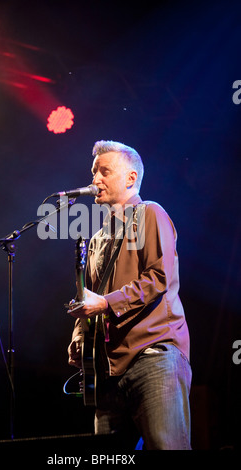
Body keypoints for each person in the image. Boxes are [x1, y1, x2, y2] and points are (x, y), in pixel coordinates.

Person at [67, 140, 192, 450]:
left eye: (104, 172)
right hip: (108, 372)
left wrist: (106, 303)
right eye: (94, 172)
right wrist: (79, 338)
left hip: (152, 357)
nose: (95, 180)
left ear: (131, 178)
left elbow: (158, 277)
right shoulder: (95, 239)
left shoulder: (150, 213)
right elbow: (90, 299)